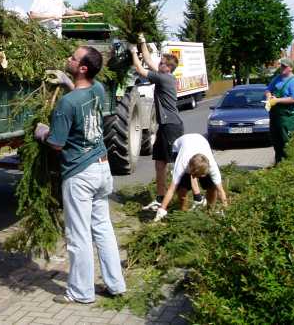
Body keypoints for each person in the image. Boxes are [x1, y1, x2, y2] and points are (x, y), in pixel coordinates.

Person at [33, 46, 126, 304]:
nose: (68, 59)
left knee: (78, 236)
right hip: (102, 167)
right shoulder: (98, 89)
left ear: (83, 68)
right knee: (103, 229)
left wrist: (42, 133)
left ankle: (80, 293)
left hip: (80, 173)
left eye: (73, 58)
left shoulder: (66, 104)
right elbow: (81, 98)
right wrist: (66, 82)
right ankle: (116, 285)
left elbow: (57, 143)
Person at [129, 33, 189, 211]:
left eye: (161, 63)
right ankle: (160, 197)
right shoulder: (165, 75)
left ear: (167, 67)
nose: (158, 64)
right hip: (165, 125)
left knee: (177, 163)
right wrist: (142, 42)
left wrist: (133, 51)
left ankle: (192, 196)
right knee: (160, 163)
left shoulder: (164, 78)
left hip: (171, 125)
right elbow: (147, 60)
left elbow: (141, 69)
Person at [153, 134, 229, 222]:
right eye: (197, 176)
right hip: (179, 146)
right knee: (182, 189)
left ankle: (210, 210)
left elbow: (220, 190)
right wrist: (161, 210)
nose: (199, 178)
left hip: (201, 141)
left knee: (212, 187)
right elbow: (171, 189)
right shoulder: (182, 164)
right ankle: (183, 215)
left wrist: (226, 210)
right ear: (191, 170)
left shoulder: (212, 166)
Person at [265, 57, 294, 164]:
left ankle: (289, 164)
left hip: (287, 116)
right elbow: (268, 89)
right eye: (281, 65)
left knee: (286, 140)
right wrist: (268, 97)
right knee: (275, 140)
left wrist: (276, 100)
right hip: (275, 114)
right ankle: (278, 163)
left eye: (284, 66)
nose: (282, 68)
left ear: (290, 68)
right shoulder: (277, 78)